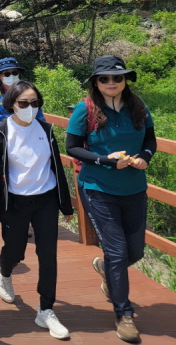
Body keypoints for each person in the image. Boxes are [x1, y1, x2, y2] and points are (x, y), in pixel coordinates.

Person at [66, 55, 156, 343]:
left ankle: (106, 269)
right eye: (104, 78)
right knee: (117, 252)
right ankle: (124, 314)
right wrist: (105, 160)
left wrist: (144, 157)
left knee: (136, 252)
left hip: (134, 188)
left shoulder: (138, 107)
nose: (111, 83)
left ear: (125, 80)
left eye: (117, 77)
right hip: (98, 187)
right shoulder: (86, 109)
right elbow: (72, 147)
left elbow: (150, 140)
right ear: (96, 82)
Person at [0, 81, 73, 340]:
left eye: (35, 103)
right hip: (15, 202)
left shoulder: (46, 130)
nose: (30, 108)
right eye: (23, 103)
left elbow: (56, 167)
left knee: (48, 255)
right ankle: (5, 269)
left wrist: (65, 205)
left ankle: (46, 309)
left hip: (45, 200)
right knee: (15, 251)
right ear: (11, 103)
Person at [0, 57, 45, 148]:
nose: (11, 76)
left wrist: (45, 138)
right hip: (2, 142)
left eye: (15, 73)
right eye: (7, 74)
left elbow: (40, 118)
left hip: (29, 140)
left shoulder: (29, 93)